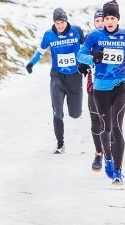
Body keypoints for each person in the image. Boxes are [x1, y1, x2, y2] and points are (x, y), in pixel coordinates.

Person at [78, 1, 125, 185]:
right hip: (101, 89)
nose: (109, 21)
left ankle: (118, 171)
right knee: (106, 128)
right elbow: (80, 55)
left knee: (118, 129)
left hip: (120, 87)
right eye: (106, 18)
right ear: (102, 20)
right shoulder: (94, 36)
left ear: (118, 19)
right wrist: (93, 57)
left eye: (113, 18)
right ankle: (108, 158)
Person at [26, 8, 85, 154]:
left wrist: (87, 63)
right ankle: (60, 143)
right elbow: (40, 51)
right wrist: (31, 63)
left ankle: (74, 110)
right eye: (57, 23)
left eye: (62, 22)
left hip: (74, 76)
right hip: (57, 76)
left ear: (66, 21)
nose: (60, 26)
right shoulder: (49, 35)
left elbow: (86, 48)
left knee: (75, 114)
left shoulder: (77, 31)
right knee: (57, 111)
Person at [77, 9, 105, 171]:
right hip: (93, 86)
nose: (100, 23)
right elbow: (81, 57)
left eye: (103, 20)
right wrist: (83, 66)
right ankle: (98, 153)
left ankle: (110, 152)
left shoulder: (114, 38)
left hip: (111, 86)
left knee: (107, 122)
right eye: (98, 21)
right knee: (95, 121)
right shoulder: (89, 39)